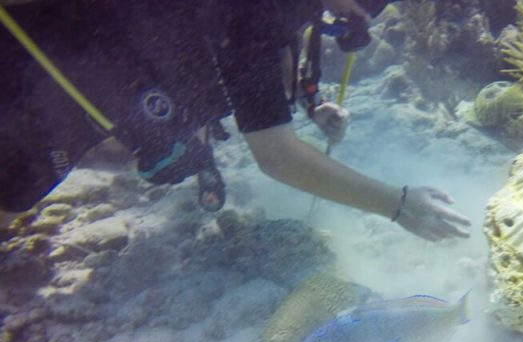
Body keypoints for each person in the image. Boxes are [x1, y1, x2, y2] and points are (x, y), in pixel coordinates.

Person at [0, 0, 471, 242]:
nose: (359, 18)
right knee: (13, 194)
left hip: (113, 76)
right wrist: (399, 204)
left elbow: (260, 65)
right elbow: (275, 157)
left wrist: (312, 106)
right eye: (362, 6)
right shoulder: (258, 9)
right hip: (45, 70)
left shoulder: (284, 12)